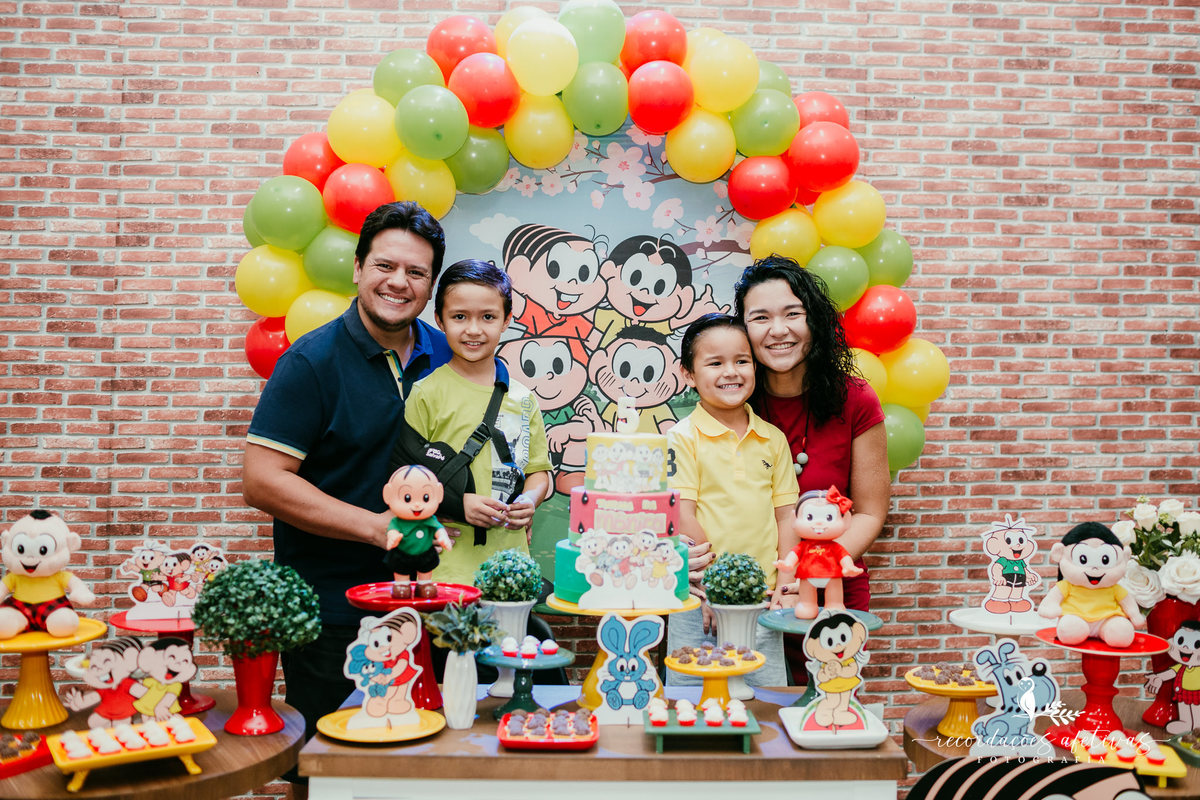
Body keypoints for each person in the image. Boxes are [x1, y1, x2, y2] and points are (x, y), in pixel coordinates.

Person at [241, 201, 452, 792]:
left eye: (417, 273)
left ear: (430, 285)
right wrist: (373, 526)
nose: (399, 283)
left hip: (429, 607)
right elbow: (262, 479)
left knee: (427, 769)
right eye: (386, 265)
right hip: (335, 614)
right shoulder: (311, 361)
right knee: (331, 773)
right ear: (358, 268)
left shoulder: (448, 354)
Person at [733, 255, 890, 682]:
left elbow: (872, 512)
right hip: (746, 595)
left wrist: (812, 571)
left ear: (814, 320)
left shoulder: (855, 399)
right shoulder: (729, 401)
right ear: (743, 329)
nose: (778, 330)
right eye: (760, 317)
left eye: (792, 313)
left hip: (832, 594)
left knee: (826, 715)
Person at [664, 314, 799, 687]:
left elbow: (787, 517)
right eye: (715, 363)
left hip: (763, 599)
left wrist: (785, 586)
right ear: (688, 374)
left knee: (764, 700)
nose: (731, 372)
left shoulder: (772, 439)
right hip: (701, 599)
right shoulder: (682, 437)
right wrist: (714, 587)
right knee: (694, 703)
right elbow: (683, 514)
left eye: (742, 361)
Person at [403, 259, 553, 582]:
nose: (474, 329)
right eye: (460, 317)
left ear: (506, 320)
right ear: (440, 320)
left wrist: (530, 498)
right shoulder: (425, 393)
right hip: (446, 568)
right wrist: (434, 513)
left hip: (511, 568)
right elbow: (405, 474)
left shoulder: (524, 398)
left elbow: (538, 472)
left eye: (488, 317)